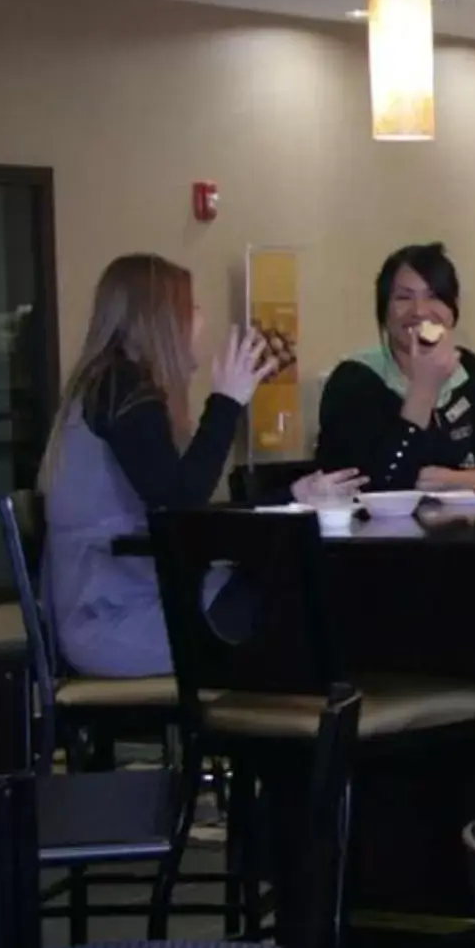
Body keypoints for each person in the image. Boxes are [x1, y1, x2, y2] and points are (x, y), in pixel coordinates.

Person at [41, 254, 360, 679]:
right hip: (115, 619)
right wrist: (227, 401)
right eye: (191, 309)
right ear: (163, 321)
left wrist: (292, 497)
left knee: (293, 596)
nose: (201, 319)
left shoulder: (112, 385)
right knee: (299, 613)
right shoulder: (121, 391)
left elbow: (182, 511)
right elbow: (180, 506)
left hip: (135, 598)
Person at [314, 242, 475, 492]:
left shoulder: (466, 368)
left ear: (452, 309)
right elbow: (380, 485)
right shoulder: (354, 379)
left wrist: (456, 481)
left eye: (434, 296)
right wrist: (424, 389)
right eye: (404, 297)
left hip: (459, 528)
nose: (419, 311)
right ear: (384, 311)